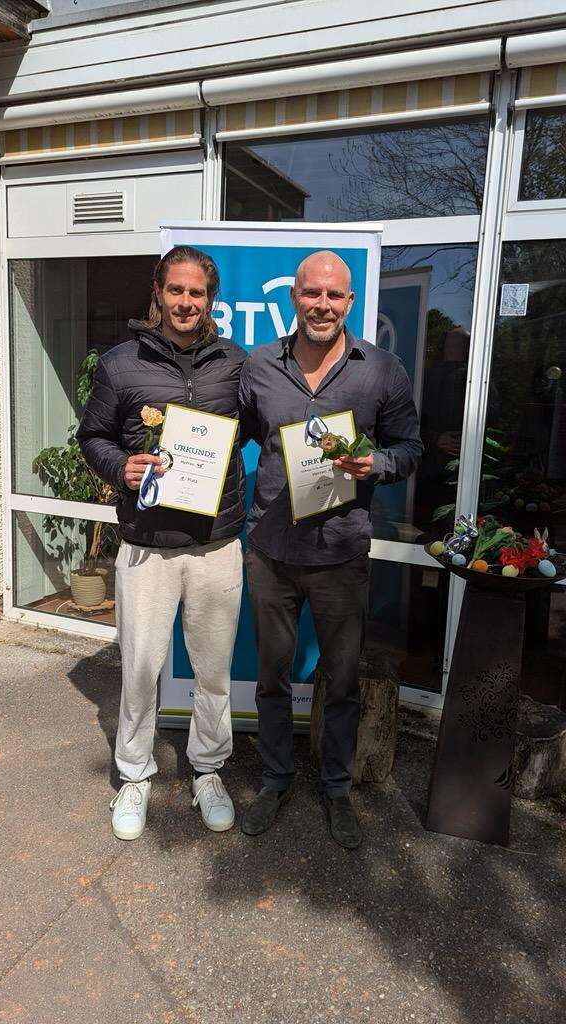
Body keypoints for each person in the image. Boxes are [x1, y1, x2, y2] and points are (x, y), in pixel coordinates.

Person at [239, 250, 423, 849]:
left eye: (333, 295)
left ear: (350, 301)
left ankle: (337, 788)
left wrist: (378, 464)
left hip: (341, 555)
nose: (322, 305)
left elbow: (411, 447)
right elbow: (239, 435)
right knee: (272, 676)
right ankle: (275, 780)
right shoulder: (260, 365)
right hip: (271, 551)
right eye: (312, 293)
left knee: (341, 682)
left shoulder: (382, 371)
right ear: (294, 297)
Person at [77, 246, 245, 840]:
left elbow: (251, 433)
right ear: (158, 292)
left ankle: (208, 769)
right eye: (176, 290)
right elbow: (92, 435)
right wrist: (119, 466)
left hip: (215, 545)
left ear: (210, 298)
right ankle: (134, 775)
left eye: (197, 292)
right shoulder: (120, 363)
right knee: (141, 669)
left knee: (214, 672)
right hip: (146, 546)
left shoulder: (235, 363)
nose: (186, 302)